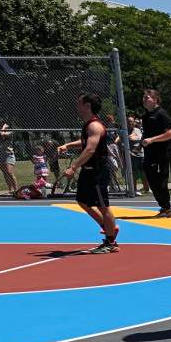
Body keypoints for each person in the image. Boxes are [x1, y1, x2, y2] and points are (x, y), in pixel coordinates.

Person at [61, 94, 118, 252]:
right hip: (88, 171)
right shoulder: (88, 125)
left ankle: (111, 243)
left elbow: (90, 148)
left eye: (79, 103)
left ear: (87, 106)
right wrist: (69, 145)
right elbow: (87, 142)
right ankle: (109, 228)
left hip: (98, 171)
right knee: (82, 201)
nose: (77, 106)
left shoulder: (94, 126)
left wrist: (73, 167)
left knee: (103, 206)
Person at [141, 88, 171, 216]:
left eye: (147, 97)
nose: (144, 99)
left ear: (155, 99)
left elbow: (170, 134)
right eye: (143, 97)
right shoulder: (145, 116)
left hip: (161, 154)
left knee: (161, 181)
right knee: (151, 179)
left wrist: (152, 140)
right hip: (149, 153)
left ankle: (167, 208)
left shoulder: (162, 114)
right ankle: (163, 206)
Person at [0, 120, 18, 196]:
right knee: (5, 173)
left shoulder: (10, 133)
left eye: (2, 124)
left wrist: (3, 127)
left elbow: (2, 134)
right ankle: (10, 189)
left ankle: (16, 189)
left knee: (9, 172)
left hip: (8, 155)